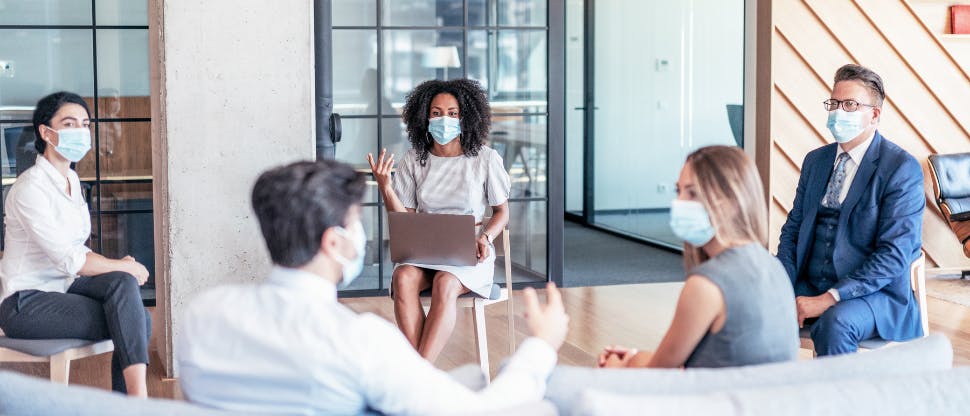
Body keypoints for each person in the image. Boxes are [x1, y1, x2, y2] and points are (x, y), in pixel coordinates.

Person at [178, 159, 569, 414]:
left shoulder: (204, 314)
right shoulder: (361, 340)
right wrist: (541, 345)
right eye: (354, 223)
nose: (361, 234)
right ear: (333, 242)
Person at [0, 92, 151, 396]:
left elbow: (78, 249)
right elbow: (69, 259)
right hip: (26, 303)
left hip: (65, 286)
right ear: (46, 132)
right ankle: (137, 403)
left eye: (85, 124)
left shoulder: (71, 181)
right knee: (135, 318)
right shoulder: (30, 188)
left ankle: (133, 402)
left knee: (124, 289)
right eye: (69, 123)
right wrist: (122, 265)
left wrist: (121, 269)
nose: (81, 131)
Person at [598, 146, 798, 369]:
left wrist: (618, 367)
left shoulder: (706, 285)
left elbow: (657, 375)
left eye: (692, 193)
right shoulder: (772, 266)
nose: (680, 202)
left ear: (730, 201)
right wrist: (635, 358)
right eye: (678, 191)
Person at [776, 64, 924, 356]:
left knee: (836, 323)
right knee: (750, 303)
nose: (838, 111)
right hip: (810, 281)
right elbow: (793, 230)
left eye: (850, 105)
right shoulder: (815, 161)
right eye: (834, 103)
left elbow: (894, 254)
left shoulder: (900, 169)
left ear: (875, 115)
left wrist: (831, 297)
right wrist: (780, 285)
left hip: (873, 294)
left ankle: (841, 401)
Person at [367, 78, 511, 362]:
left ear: (465, 117)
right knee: (402, 276)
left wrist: (485, 237)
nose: (443, 119)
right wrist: (385, 186)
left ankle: (418, 374)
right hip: (424, 252)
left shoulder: (485, 159)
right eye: (436, 112)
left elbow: (501, 212)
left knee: (445, 282)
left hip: (470, 253)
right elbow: (404, 218)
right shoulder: (413, 160)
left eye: (452, 113)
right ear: (424, 116)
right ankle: (424, 376)